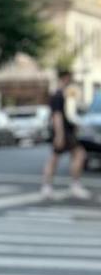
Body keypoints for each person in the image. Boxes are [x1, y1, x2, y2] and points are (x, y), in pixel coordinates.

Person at [41, 70, 90, 199]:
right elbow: (57, 116)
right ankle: (72, 185)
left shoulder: (65, 95)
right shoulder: (58, 96)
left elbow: (70, 115)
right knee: (76, 155)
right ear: (65, 78)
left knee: (58, 158)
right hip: (63, 132)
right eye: (70, 78)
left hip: (66, 132)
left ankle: (49, 187)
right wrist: (59, 135)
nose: (71, 81)